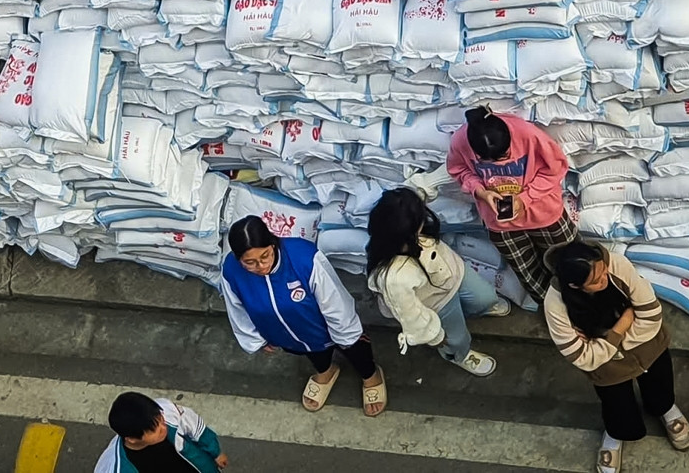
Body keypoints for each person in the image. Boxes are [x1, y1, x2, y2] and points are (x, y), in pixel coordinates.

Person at [544, 240, 689, 473]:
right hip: (608, 367)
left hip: (646, 345)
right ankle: (615, 433)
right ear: (575, 286)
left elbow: (651, 315)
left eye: (604, 272)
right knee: (616, 403)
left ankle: (666, 408)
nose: (604, 279)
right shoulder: (555, 303)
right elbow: (581, 357)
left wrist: (603, 343)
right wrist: (620, 328)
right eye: (596, 281)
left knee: (660, 381)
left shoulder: (617, 264)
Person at [219, 215, 387, 416]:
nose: (261, 266)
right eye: (250, 263)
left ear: (273, 244)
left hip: (323, 325)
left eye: (265, 256)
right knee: (312, 353)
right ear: (239, 260)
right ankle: (326, 371)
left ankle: (370, 375)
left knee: (355, 349)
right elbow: (236, 309)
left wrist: (345, 334)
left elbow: (334, 301)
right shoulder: (230, 271)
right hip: (286, 335)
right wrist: (256, 340)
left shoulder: (304, 258)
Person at [365, 187, 509, 377]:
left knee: (486, 298)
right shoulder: (394, 278)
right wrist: (436, 337)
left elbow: (429, 184)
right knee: (456, 339)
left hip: (454, 271)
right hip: (437, 302)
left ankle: (475, 310)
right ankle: (460, 355)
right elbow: (412, 316)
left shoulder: (406, 224)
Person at [448, 106, 576, 299]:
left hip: (543, 214)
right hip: (501, 223)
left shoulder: (527, 134)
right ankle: (550, 305)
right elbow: (457, 169)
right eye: (488, 160)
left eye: (503, 156)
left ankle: (580, 302)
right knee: (529, 273)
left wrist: (525, 199)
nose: (497, 163)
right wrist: (480, 191)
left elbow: (556, 168)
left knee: (571, 263)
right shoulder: (460, 141)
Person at [96, 391, 228, 473]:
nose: (163, 427)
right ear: (131, 439)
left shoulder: (166, 410)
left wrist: (215, 452)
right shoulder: (115, 468)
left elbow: (195, 426)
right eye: (155, 430)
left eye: (160, 419)